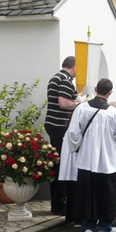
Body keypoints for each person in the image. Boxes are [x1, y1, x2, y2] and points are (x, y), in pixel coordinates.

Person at [64, 78, 116, 232]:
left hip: (86, 160)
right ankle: (105, 227)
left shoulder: (82, 109)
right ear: (110, 92)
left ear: (96, 88)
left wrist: (76, 149)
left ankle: (88, 228)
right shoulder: (113, 112)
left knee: (86, 193)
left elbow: (72, 133)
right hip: (107, 162)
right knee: (106, 194)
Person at [44, 56, 80, 218]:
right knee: (61, 166)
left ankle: (57, 202)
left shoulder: (55, 78)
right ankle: (59, 204)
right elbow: (64, 104)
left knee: (56, 164)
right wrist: (80, 104)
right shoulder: (65, 80)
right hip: (60, 126)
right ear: (74, 67)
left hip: (53, 124)